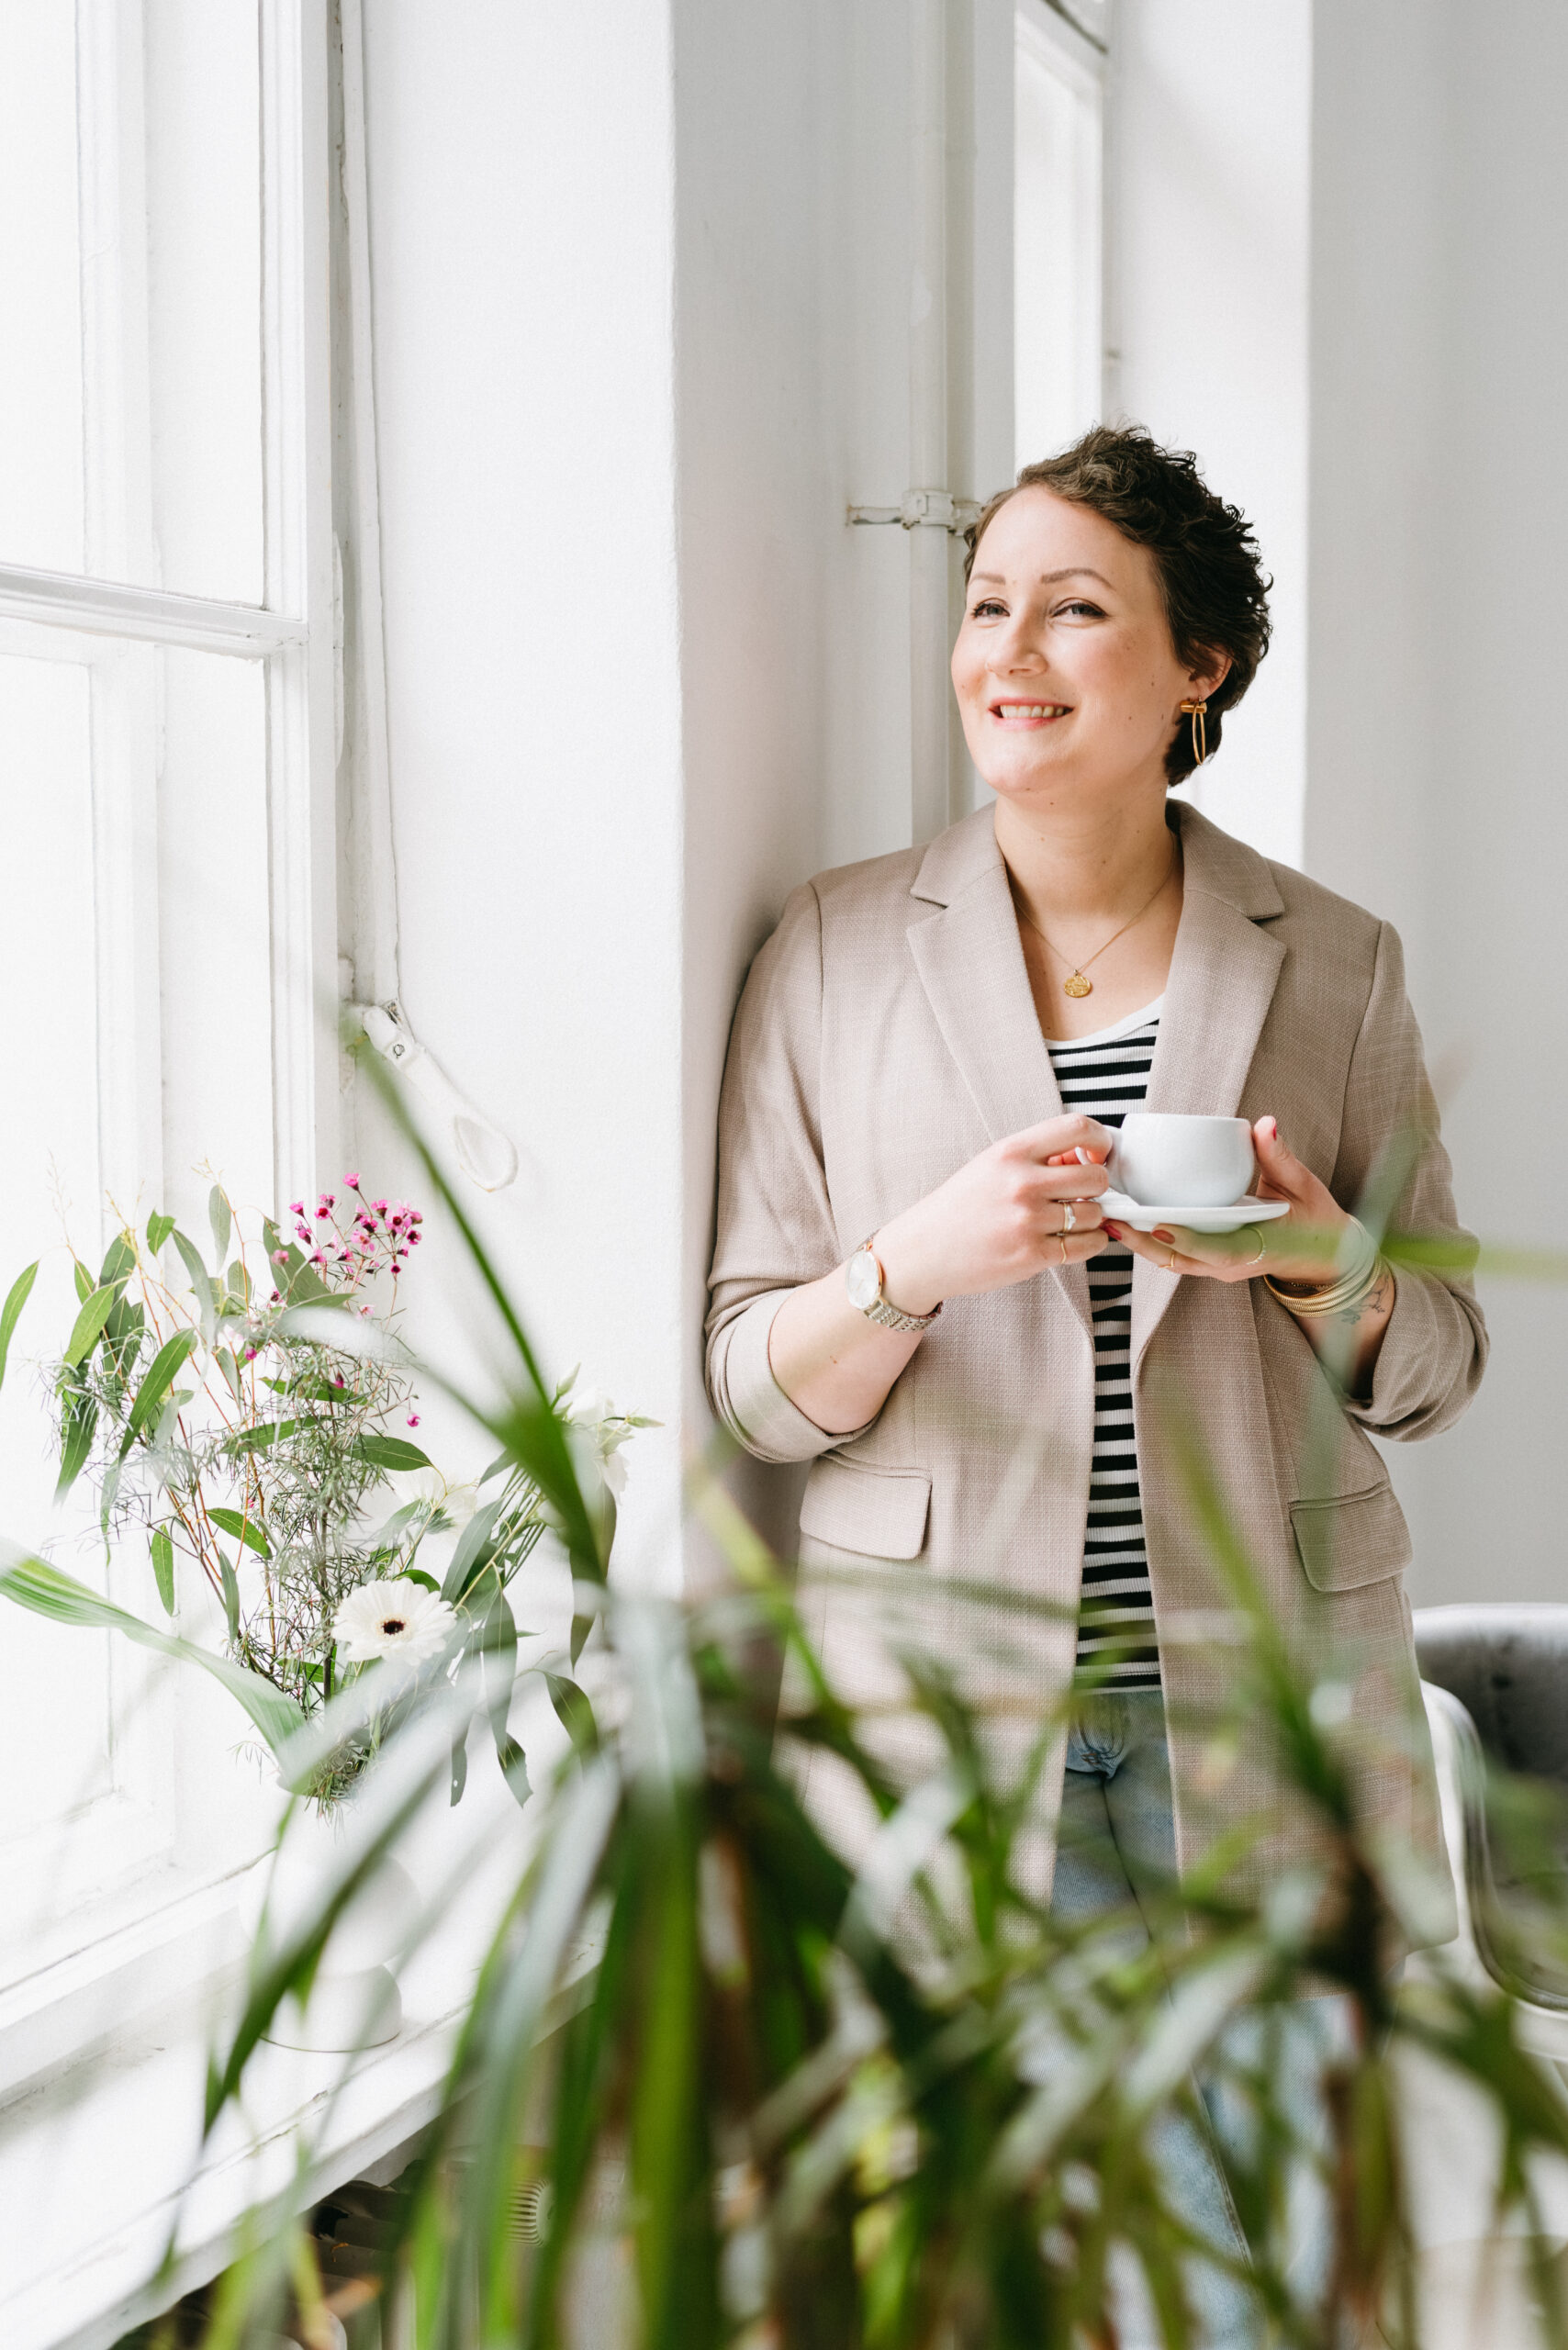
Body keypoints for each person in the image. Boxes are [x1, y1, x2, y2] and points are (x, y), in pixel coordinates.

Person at [704, 425, 1484, 2343]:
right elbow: (748, 1383)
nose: (1009, 651)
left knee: (1268, 2240)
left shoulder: (1333, 961)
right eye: (984, 604)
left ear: (1192, 668)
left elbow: (1438, 1361)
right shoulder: (827, 946)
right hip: (938, 1707)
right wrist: (906, 1268)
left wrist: (1316, 1262)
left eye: (1073, 608)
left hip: (1262, 1692)